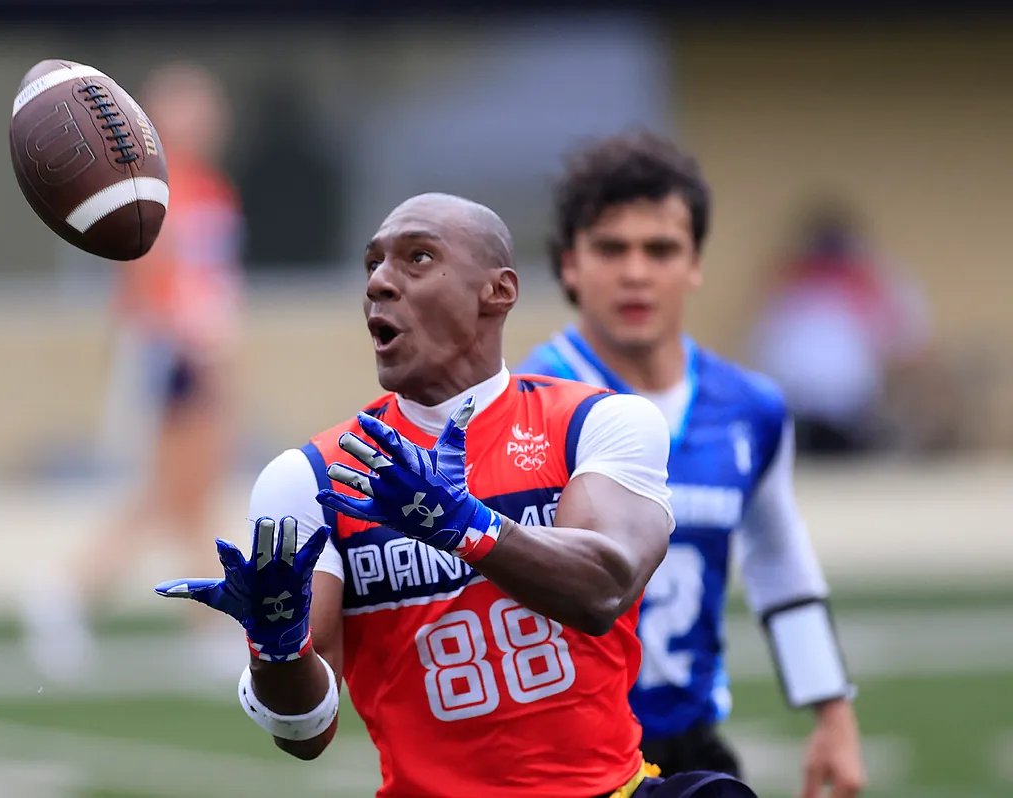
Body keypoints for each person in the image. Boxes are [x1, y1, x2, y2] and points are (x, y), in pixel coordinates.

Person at [155, 193, 754, 797]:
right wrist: (275, 650)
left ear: (498, 291)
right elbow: (306, 732)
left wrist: (461, 523)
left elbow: (604, 588)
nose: (381, 283)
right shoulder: (308, 477)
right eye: (372, 265)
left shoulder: (597, 424)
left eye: (417, 258)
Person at [518, 133, 866, 797]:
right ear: (569, 264)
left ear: (696, 262)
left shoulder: (750, 407)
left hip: (691, 741)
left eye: (661, 249)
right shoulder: (530, 405)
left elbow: (777, 559)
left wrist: (833, 710)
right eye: (611, 248)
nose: (637, 272)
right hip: (568, 757)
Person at [22, 62, 244, 679]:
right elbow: (147, 281)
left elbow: (214, 284)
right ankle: (69, 590)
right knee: (179, 491)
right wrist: (184, 351)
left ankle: (183, 616)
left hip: (200, 348)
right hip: (173, 353)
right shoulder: (145, 187)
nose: (202, 119)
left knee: (184, 495)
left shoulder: (212, 186)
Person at [749, 200, 932, 455]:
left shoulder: (872, 280)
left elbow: (909, 345)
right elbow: (763, 345)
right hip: (797, 408)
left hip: (854, 410)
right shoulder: (793, 280)